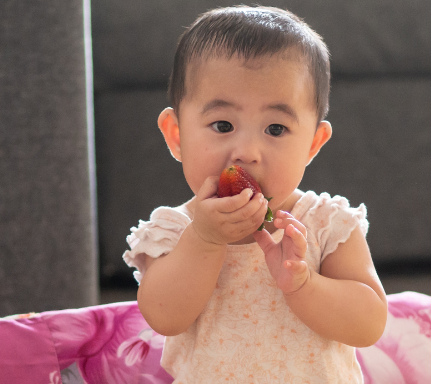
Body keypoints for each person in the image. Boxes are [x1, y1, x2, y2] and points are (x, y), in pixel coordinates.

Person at [122, 6, 388, 383]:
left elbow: (368, 325)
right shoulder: (175, 229)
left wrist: (303, 284)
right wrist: (204, 238)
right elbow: (164, 317)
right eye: (223, 124)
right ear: (177, 135)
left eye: (276, 129)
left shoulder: (325, 224)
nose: (246, 151)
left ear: (313, 144)